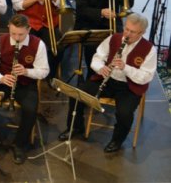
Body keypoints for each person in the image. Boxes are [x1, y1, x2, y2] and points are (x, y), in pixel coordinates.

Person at [58, 13, 155, 153]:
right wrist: (101, 68)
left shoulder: (149, 49)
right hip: (107, 80)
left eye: (132, 32)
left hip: (129, 87)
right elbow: (97, 57)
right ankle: (75, 127)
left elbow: (146, 76)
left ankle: (117, 140)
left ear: (142, 33)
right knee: (77, 95)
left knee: (124, 113)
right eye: (126, 29)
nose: (127, 34)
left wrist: (125, 67)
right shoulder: (114, 38)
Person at [0, 14, 49, 164]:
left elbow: (44, 71)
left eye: (21, 34)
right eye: (13, 33)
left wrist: (26, 72)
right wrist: (1, 78)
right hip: (2, 80)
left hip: (25, 83)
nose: (17, 38)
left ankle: (20, 144)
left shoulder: (38, 44)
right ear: (8, 28)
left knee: (31, 110)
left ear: (29, 30)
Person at [75, 0, 134, 76]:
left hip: (112, 22)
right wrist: (101, 12)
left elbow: (130, 3)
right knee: (93, 48)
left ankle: (113, 75)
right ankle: (93, 76)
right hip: (91, 23)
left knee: (120, 46)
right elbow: (81, 10)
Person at [10, 0, 60, 79]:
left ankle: (49, 77)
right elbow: (17, 6)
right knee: (27, 47)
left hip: (49, 22)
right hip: (29, 24)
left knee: (59, 47)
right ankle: (27, 75)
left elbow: (61, 4)